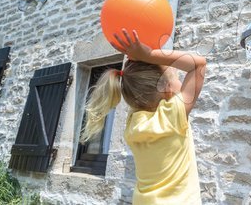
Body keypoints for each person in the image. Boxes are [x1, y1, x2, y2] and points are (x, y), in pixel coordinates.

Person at [81, 29, 206, 205]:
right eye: (176, 77)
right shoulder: (171, 116)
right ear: (167, 89)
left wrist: (146, 59)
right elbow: (198, 65)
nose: (180, 81)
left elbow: (137, 92)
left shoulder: (133, 123)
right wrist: (149, 55)